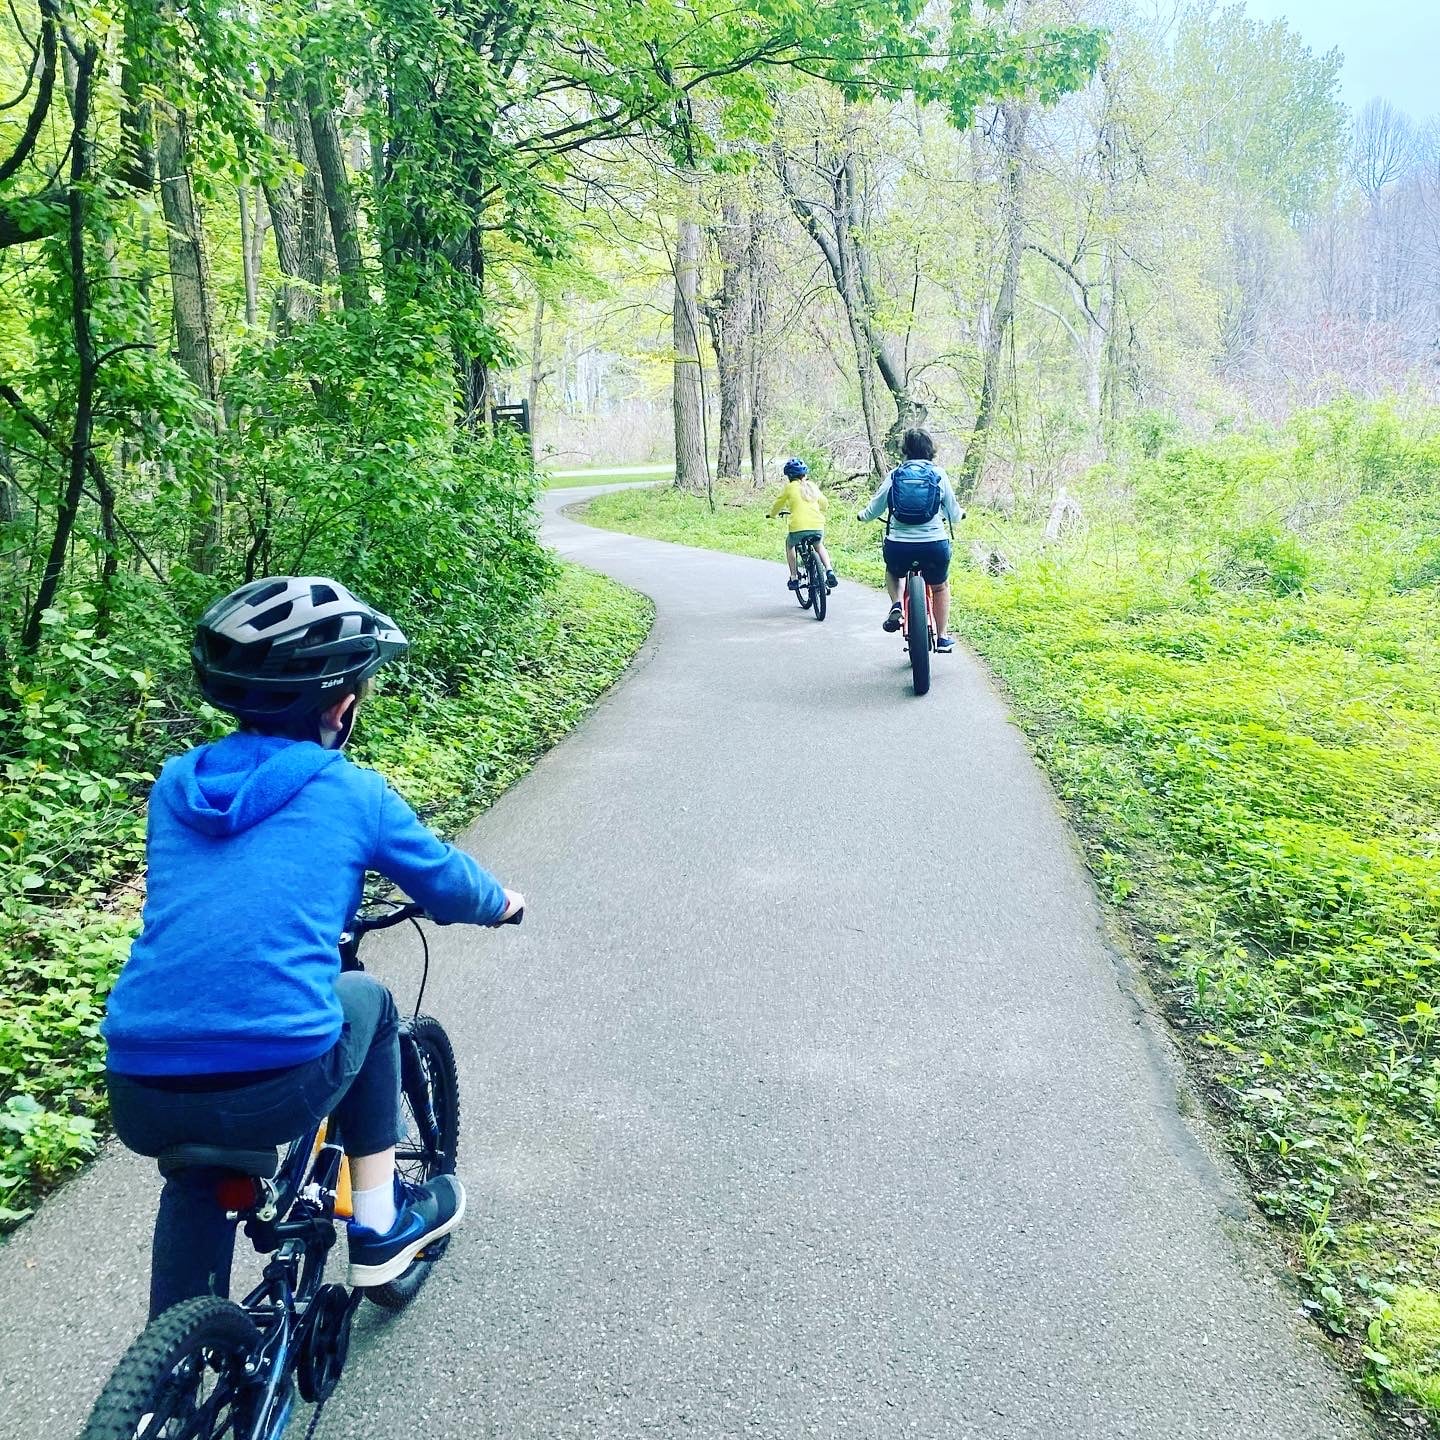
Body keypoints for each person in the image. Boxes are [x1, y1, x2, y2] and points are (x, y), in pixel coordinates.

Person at [101, 576, 523, 1317]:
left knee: (196, 1168)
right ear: (340, 704)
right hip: (272, 1080)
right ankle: (380, 1225)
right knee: (367, 1000)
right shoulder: (350, 791)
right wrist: (503, 904)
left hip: (139, 1083)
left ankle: (169, 1379)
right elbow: (451, 885)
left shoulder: (174, 785)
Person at [857, 429, 965, 652]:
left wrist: (863, 516)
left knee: (893, 572)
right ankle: (943, 637)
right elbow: (954, 513)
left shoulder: (895, 475)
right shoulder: (938, 474)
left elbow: (875, 508)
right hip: (934, 545)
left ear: (904, 450)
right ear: (930, 450)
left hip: (899, 546)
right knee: (940, 588)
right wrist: (960, 515)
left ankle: (897, 604)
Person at [768, 457, 838, 592]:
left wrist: (772, 515)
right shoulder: (812, 486)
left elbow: (778, 503)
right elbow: (824, 504)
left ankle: (794, 577)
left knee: (790, 545)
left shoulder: (789, 488)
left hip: (797, 528)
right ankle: (829, 570)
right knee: (819, 545)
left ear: (789, 476)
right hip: (817, 526)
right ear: (805, 474)